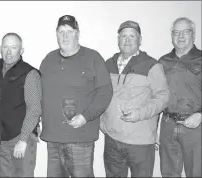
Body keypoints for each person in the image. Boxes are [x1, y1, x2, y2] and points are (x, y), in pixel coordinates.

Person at [39, 15, 113, 177]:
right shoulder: (48, 60)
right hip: (53, 138)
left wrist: (86, 116)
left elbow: (105, 92)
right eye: (61, 32)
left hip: (80, 138)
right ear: (56, 34)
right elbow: (39, 94)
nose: (65, 36)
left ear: (77, 33)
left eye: (69, 31)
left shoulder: (93, 58)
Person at [100, 20, 170, 177]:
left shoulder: (152, 65)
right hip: (112, 139)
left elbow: (163, 97)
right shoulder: (107, 64)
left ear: (140, 40)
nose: (127, 40)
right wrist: (101, 121)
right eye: (123, 36)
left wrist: (139, 114)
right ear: (118, 40)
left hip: (141, 142)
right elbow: (99, 95)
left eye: (132, 36)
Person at [158, 17, 201, 177]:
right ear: (172, 35)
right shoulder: (162, 61)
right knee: (168, 173)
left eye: (185, 32)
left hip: (196, 128)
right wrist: (154, 129)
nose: (181, 36)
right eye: (176, 32)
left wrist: (201, 115)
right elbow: (157, 96)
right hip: (168, 125)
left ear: (193, 35)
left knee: (196, 173)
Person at [0, 32, 41, 177]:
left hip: (21, 139)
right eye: (5, 47)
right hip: (0, 141)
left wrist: (23, 140)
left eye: (13, 47)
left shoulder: (30, 73)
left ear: (21, 51)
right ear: (0, 49)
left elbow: (34, 109)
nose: (8, 52)